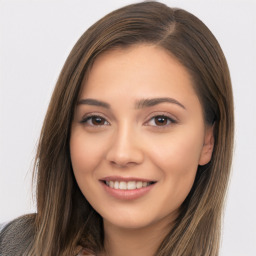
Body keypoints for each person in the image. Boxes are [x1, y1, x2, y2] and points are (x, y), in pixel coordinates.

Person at [0, 1, 234, 255]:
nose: (122, 154)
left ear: (208, 141)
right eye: (97, 120)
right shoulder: (14, 245)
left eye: (160, 120)